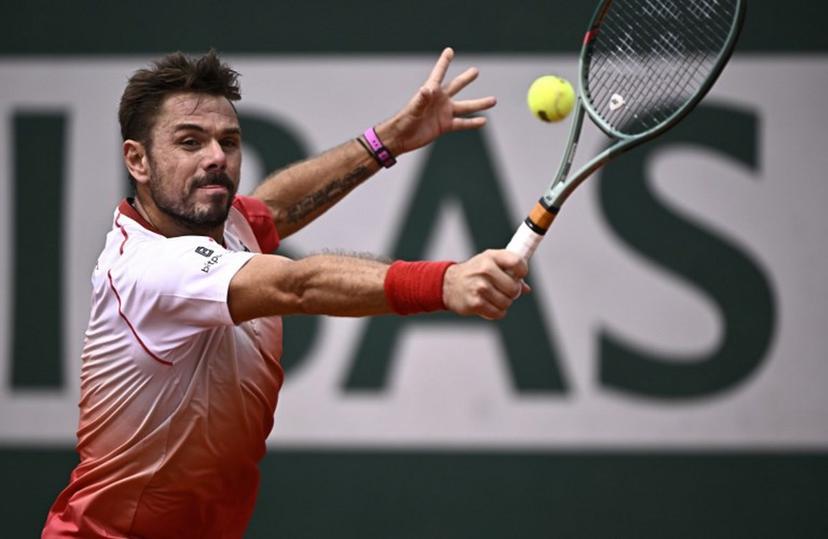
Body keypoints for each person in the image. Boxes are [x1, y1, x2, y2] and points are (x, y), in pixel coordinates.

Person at [42, 48, 528, 538]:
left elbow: (273, 210)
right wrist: (443, 282)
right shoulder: (148, 270)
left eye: (228, 142)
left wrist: (391, 139)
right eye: (190, 142)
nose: (216, 158)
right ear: (138, 160)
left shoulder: (219, 222)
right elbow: (298, 285)